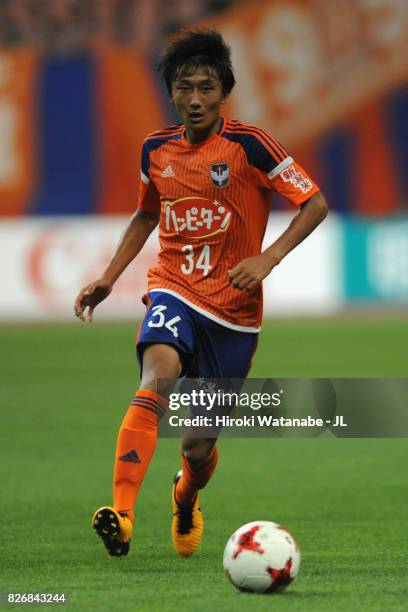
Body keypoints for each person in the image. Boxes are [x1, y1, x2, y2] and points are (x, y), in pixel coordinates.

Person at [74, 28, 328, 558]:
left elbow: (314, 203)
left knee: (198, 445)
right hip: (173, 288)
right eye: (184, 87)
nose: (195, 99)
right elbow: (148, 212)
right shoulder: (155, 150)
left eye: (206, 88)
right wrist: (110, 275)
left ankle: (186, 496)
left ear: (223, 92)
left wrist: (267, 258)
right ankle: (121, 513)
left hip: (233, 313)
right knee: (156, 380)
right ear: (170, 92)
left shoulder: (250, 144)